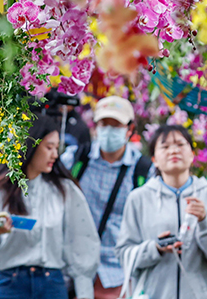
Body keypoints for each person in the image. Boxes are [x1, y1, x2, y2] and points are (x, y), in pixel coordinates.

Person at [0, 113, 100, 299]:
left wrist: (84, 293)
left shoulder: (65, 190)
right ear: (29, 145)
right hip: (10, 285)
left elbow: (84, 245)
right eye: (49, 147)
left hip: (53, 286)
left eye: (56, 148)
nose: (55, 155)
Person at [116, 125, 207, 299]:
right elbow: (124, 256)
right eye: (165, 147)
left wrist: (205, 222)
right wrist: (155, 248)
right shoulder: (139, 199)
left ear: (192, 155)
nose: (173, 151)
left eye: (180, 145)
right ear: (154, 159)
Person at [60, 96, 153, 299]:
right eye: (104, 124)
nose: (109, 131)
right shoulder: (75, 159)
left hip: (118, 274)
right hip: (73, 271)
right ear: (96, 126)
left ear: (129, 129)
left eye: (116, 125)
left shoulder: (143, 171)